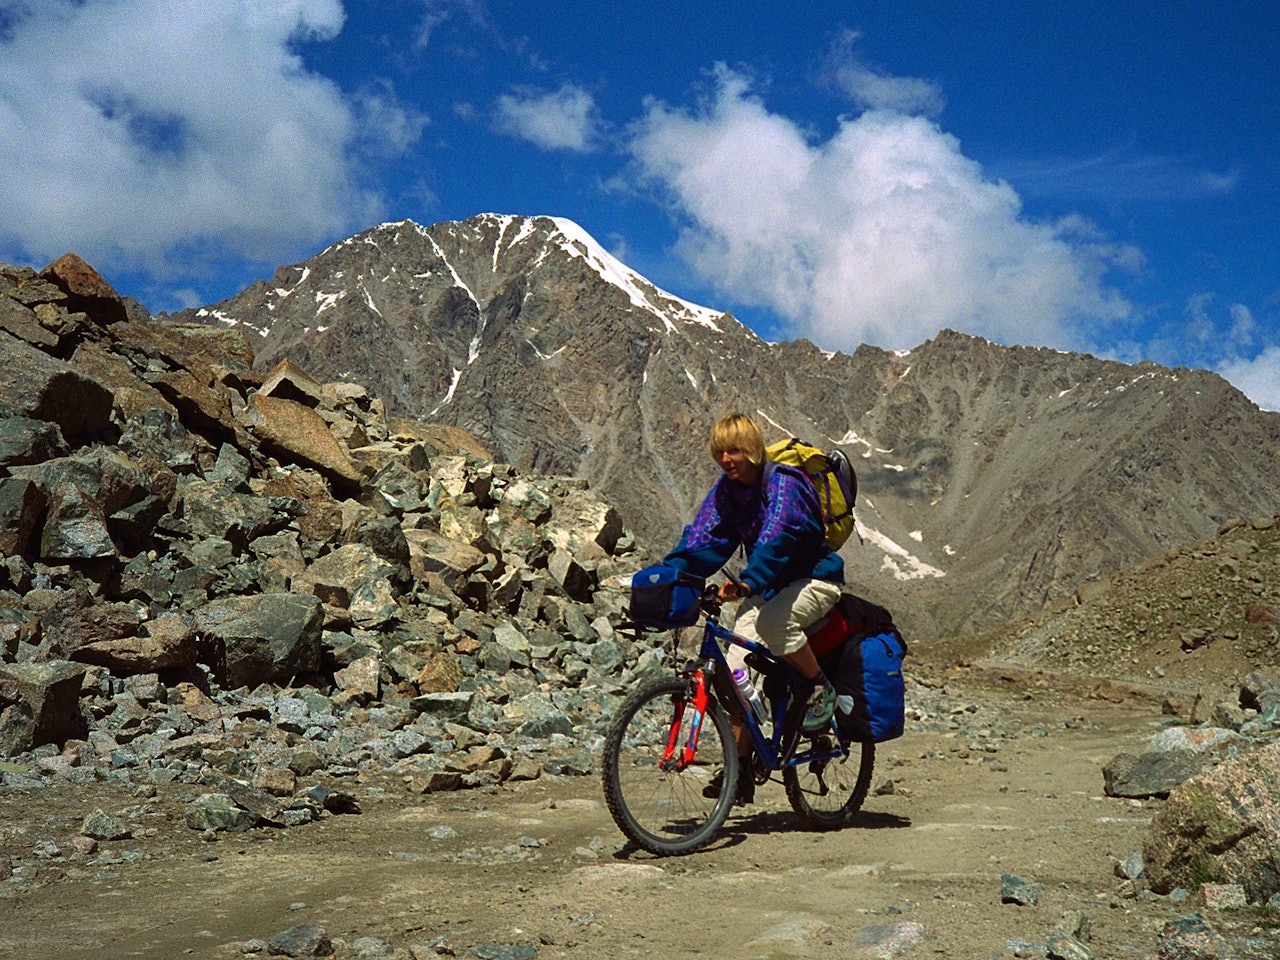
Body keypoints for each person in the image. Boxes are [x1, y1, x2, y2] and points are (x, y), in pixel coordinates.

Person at [662, 413, 843, 804]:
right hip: (767, 585)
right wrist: (666, 575)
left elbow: (779, 535)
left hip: (814, 579)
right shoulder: (728, 490)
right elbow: (704, 537)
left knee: (775, 623)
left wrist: (748, 581)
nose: (727, 459)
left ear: (754, 449)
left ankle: (817, 685)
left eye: (736, 450)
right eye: (721, 451)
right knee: (737, 672)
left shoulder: (784, 483)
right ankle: (741, 771)